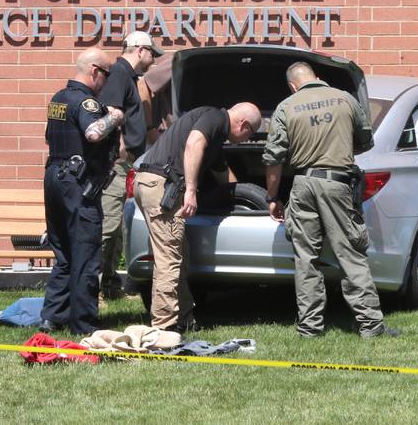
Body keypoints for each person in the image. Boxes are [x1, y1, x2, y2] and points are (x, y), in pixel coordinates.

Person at [262, 61, 400, 338]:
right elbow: (366, 141)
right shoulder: (345, 99)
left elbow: (273, 158)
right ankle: (371, 325)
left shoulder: (286, 107)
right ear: (318, 78)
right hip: (337, 184)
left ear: (293, 85)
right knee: (350, 254)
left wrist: (273, 196)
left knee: (305, 259)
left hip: (302, 185)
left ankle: (310, 328)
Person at [133, 103, 262, 347]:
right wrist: (191, 190)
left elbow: (226, 180)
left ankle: (184, 318)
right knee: (169, 259)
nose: (247, 140)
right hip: (163, 187)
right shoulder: (214, 117)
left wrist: (248, 197)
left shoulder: (216, 136)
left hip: (150, 183)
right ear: (243, 124)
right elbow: (194, 143)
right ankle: (163, 329)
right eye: (250, 134)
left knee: (180, 255)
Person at [39, 48, 125, 335]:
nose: (107, 81)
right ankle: (84, 325)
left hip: (54, 178)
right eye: (107, 75)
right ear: (95, 71)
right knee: (86, 254)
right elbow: (94, 134)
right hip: (77, 185)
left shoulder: (59, 99)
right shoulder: (87, 103)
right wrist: (115, 117)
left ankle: (52, 317)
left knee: (63, 252)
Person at [97, 31, 164, 300]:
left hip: (128, 164)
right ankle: (94, 291)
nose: (153, 60)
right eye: (152, 53)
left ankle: (111, 286)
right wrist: (120, 148)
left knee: (119, 229)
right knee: (108, 226)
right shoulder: (119, 74)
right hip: (117, 164)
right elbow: (111, 113)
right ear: (139, 50)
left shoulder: (128, 76)